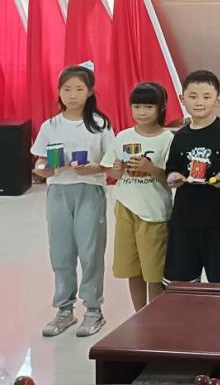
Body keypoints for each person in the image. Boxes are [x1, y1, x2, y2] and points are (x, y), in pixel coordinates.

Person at [32, 64, 115, 338]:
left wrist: (95, 168)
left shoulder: (100, 124)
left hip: (89, 191)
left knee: (91, 251)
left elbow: (111, 163)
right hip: (58, 192)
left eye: (79, 89)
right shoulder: (50, 125)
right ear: (59, 92)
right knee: (61, 251)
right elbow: (39, 164)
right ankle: (64, 309)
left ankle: (93, 309)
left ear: (90, 91)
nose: (72, 95)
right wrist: (44, 169)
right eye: (67, 89)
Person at [164, 70, 220, 286]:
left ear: (218, 98)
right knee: (183, 287)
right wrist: (174, 178)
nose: (199, 102)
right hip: (184, 220)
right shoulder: (180, 136)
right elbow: (171, 170)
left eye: (206, 96)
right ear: (182, 98)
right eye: (193, 96)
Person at [101, 82, 174, 312]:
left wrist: (150, 169)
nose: (142, 112)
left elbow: (171, 179)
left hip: (154, 213)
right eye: (137, 106)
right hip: (125, 209)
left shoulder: (168, 139)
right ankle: (139, 315)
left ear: (161, 108)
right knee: (132, 269)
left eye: (149, 107)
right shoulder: (123, 136)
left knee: (154, 273)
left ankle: (155, 318)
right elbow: (111, 172)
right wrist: (116, 168)